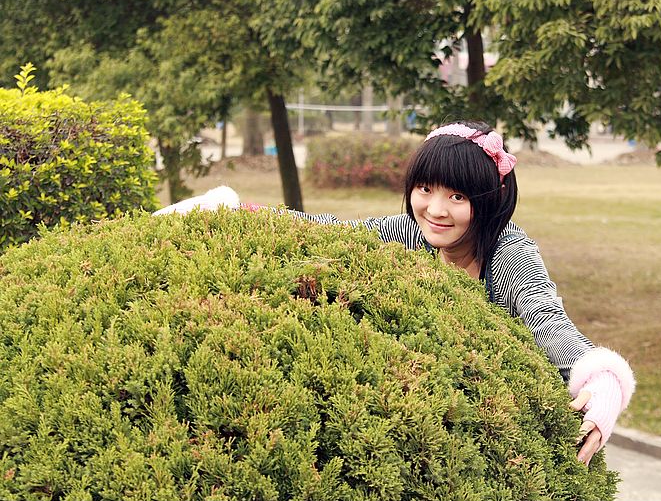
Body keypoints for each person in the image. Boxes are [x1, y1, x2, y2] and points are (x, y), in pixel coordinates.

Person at [155, 120, 636, 466]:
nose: (436, 209)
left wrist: (603, 381)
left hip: (489, 439)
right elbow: (325, 231)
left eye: (459, 196)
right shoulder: (403, 231)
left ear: (488, 202)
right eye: (425, 188)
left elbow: (545, 319)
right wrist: (232, 209)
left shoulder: (508, 253)